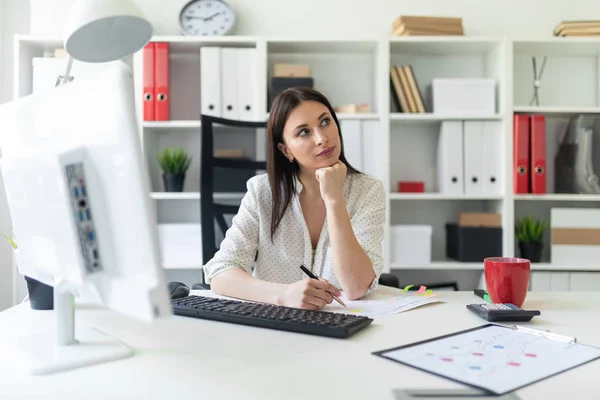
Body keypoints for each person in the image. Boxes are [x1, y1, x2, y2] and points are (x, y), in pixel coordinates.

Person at [203, 87, 386, 310]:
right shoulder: (263, 191)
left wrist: (334, 198)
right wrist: (284, 294)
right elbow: (221, 271)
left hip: (344, 327)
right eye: (303, 132)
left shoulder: (368, 191)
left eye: (325, 122)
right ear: (286, 150)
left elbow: (356, 287)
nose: (322, 138)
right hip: (276, 326)